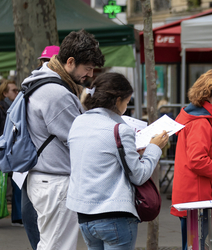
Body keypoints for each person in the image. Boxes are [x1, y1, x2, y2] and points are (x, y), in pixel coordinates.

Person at [21, 29, 104, 250]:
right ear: (70, 62)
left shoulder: (39, 81)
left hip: (44, 178)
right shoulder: (57, 94)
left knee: (51, 243)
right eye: (87, 68)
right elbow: (80, 139)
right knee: (58, 246)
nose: (90, 74)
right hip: (55, 182)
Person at [66, 72, 169, 249]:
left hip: (84, 215)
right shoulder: (120, 129)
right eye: (127, 102)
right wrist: (154, 148)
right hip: (114, 214)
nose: (126, 106)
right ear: (118, 100)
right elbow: (139, 175)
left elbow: (99, 156)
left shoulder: (78, 122)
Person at [170, 69, 212, 250]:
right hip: (198, 199)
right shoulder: (200, 122)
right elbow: (198, 161)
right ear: (206, 97)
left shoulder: (201, 117)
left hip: (198, 196)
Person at [21, 45, 61, 249]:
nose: (45, 65)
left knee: (44, 233)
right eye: (45, 61)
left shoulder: (30, 88)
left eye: (50, 61)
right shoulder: (43, 89)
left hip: (33, 167)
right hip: (36, 169)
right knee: (41, 229)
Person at [0, 80, 22, 227]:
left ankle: (18, 216)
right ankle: (17, 216)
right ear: (5, 93)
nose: (17, 92)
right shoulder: (6, 107)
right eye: (13, 90)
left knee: (15, 182)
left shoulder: (12, 106)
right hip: (5, 149)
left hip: (9, 149)